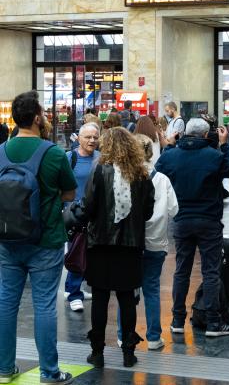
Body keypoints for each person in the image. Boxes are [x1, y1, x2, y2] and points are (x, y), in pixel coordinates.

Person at [0, 91, 77, 384]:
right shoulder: (53, 152)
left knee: (6, 302)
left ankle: (5, 369)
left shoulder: (0, 152)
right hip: (46, 240)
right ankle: (49, 372)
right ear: (36, 117)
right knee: (44, 304)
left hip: (7, 239)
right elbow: (69, 194)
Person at [155, 118, 229, 337]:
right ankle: (213, 322)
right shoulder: (214, 156)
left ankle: (177, 320)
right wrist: (224, 145)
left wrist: (171, 145)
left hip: (181, 220)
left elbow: (159, 168)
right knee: (210, 271)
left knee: (181, 270)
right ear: (205, 135)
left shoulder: (171, 156)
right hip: (209, 220)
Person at [83, 128, 155, 369]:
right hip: (130, 245)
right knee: (127, 298)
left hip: (101, 243)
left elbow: (89, 206)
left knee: (100, 299)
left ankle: (97, 353)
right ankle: (128, 353)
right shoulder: (142, 174)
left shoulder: (98, 170)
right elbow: (147, 212)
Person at [115, 134, 178, 351]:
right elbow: (173, 210)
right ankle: (153, 337)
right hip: (156, 243)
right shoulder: (162, 180)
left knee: (127, 290)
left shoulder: (123, 177)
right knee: (151, 289)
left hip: (129, 245)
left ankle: (123, 335)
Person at [64, 122, 100, 313]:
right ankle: (73, 293)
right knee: (76, 252)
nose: (92, 140)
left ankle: (76, 288)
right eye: (88, 137)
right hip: (76, 215)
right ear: (79, 138)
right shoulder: (69, 158)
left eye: (95, 137)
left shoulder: (101, 158)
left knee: (90, 254)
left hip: (95, 214)